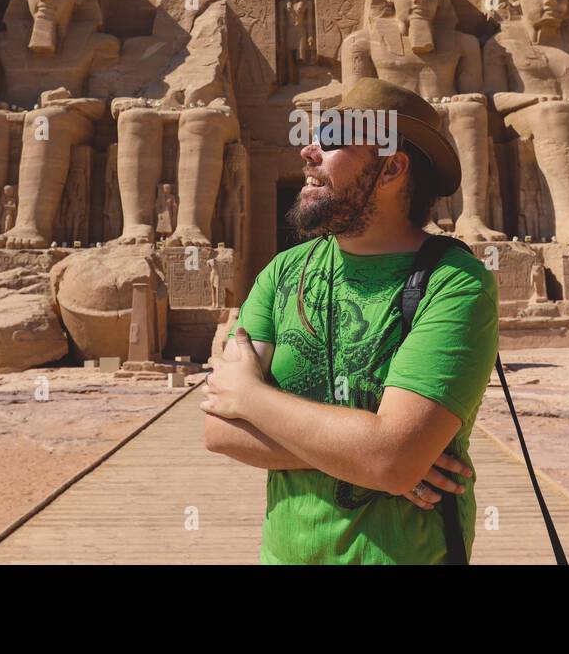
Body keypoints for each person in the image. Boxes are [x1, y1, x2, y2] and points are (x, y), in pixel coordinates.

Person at [202, 77, 500, 564]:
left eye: (335, 138)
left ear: (391, 168)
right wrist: (380, 458)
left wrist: (253, 398)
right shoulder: (283, 274)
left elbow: (392, 458)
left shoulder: (456, 282)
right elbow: (219, 430)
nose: (308, 151)